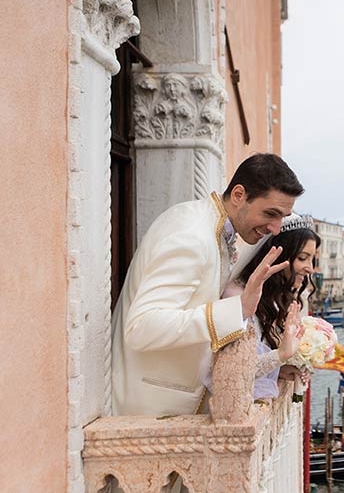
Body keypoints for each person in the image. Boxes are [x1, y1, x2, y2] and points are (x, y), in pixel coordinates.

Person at [111, 153, 304, 416]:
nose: (276, 228)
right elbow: (142, 327)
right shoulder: (191, 236)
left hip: (177, 409)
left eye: (283, 217)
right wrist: (237, 310)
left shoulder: (210, 228)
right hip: (152, 411)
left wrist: (272, 365)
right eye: (271, 213)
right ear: (239, 195)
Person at [217, 214, 320, 399]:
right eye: (303, 258)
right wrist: (280, 355)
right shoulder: (237, 296)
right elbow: (234, 371)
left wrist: (278, 369)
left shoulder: (275, 299)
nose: (310, 269)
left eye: (311, 260)